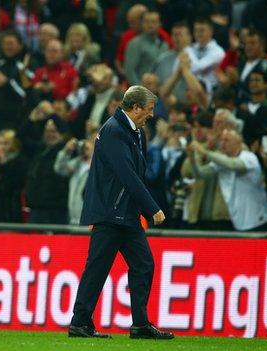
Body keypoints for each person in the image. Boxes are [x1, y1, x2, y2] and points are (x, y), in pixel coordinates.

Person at [69, 85, 173, 340]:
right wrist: (152, 208)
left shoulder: (135, 131)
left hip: (126, 213)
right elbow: (127, 174)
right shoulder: (114, 131)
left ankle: (140, 325)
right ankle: (79, 323)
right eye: (148, 109)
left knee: (144, 264)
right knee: (98, 268)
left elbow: (137, 172)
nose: (151, 114)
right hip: (109, 212)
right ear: (135, 107)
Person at [189, 129, 267, 231]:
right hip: (238, 223)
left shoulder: (249, 157)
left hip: (259, 221)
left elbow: (232, 165)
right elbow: (200, 174)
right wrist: (192, 159)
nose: (222, 143)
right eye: (222, 140)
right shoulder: (221, 161)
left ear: (238, 143)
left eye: (227, 140)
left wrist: (206, 152)